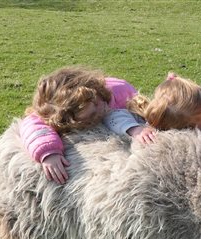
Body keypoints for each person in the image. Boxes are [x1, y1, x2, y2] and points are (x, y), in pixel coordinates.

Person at [20, 65, 152, 184]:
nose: (101, 110)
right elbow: (32, 125)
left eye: (97, 103)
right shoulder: (53, 114)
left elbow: (141, 105)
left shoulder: (119, 90)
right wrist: (48, 152)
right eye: (91, 116)